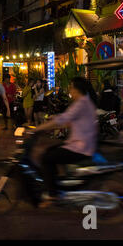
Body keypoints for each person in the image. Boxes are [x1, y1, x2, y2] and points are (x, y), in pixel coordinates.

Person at [35, 77, 98, 206]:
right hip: (80, 143)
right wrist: (55, 120)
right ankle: (59, 182)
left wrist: (38, 128)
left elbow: (64, 119)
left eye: (71, 88)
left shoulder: (81, 103)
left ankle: (53, 195)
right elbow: (69, 120)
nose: (70, 92)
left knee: (46, 158)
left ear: (76, 90)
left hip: (80, 147)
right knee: (50, 150)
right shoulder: (86, 102)